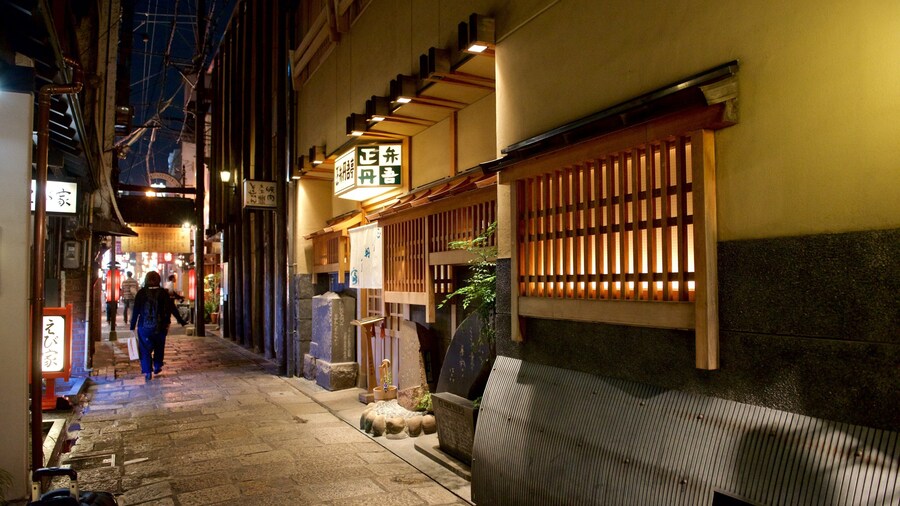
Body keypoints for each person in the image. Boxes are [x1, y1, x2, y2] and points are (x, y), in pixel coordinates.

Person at [130, 271, 187, 381]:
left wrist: (132, 325)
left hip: (144, 326)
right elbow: (171, 308)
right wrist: (181, 321)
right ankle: (157, 365)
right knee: (159, 346)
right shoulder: (163, 293)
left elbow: (136, 310)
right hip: (161, 326)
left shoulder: (141, 293)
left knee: (144, 349)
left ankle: (147, 371)